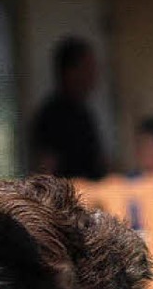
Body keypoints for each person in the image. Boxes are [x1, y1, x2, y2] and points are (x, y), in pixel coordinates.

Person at [30, 36, 107, 181]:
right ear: (70, 72)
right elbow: (46, 167)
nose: (93, 75)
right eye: (88, 68)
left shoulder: (84, 112)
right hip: (68, 198)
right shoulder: (52, 115)